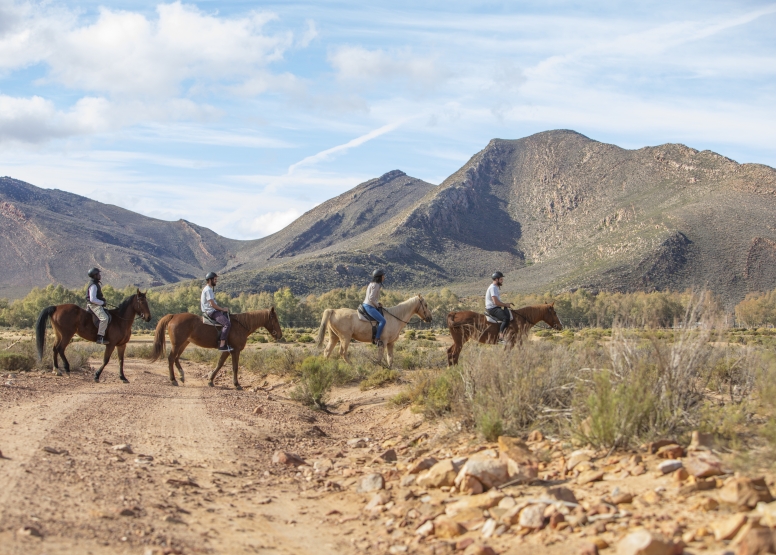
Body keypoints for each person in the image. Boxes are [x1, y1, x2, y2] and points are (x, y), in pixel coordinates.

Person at [201, 272, 232, 351]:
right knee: (227, 324)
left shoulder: (208, 289)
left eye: (216, 279)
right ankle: (222, 345)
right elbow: (212, 304)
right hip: (211, 312)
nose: (216, 281)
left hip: (211, 310)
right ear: (210, 280)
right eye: (215, 279)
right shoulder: (208, 290)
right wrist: (222, 309)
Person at [485, 271, 514, 341]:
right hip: (492, 308)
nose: (502, 281)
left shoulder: (496, 287)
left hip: (495, 307)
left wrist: (505, 305)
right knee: (505, 318)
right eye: (501, 279)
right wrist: (505, 304)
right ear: (496, 279)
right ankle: (501, 336)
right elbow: (496, 302)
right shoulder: (493, 288)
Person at [86, 267, 110, 345]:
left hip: (95, 304)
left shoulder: (95, 284)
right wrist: (102, 303)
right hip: (94, 305)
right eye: (98, 274)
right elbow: (92, 299)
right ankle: (100, 337)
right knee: (104, 318)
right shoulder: (93, 285)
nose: (100, 275)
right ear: (95, 275)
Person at [363, 269, 387, 347]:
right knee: (382, 321)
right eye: (383, 276)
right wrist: (377, 305)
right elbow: (371, 298)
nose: (384, 277)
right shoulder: (376, 285)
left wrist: (377, 303)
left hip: (368, 304)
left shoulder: (372, 283)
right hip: (369, 306)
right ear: (379, 277)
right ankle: (377, 338)